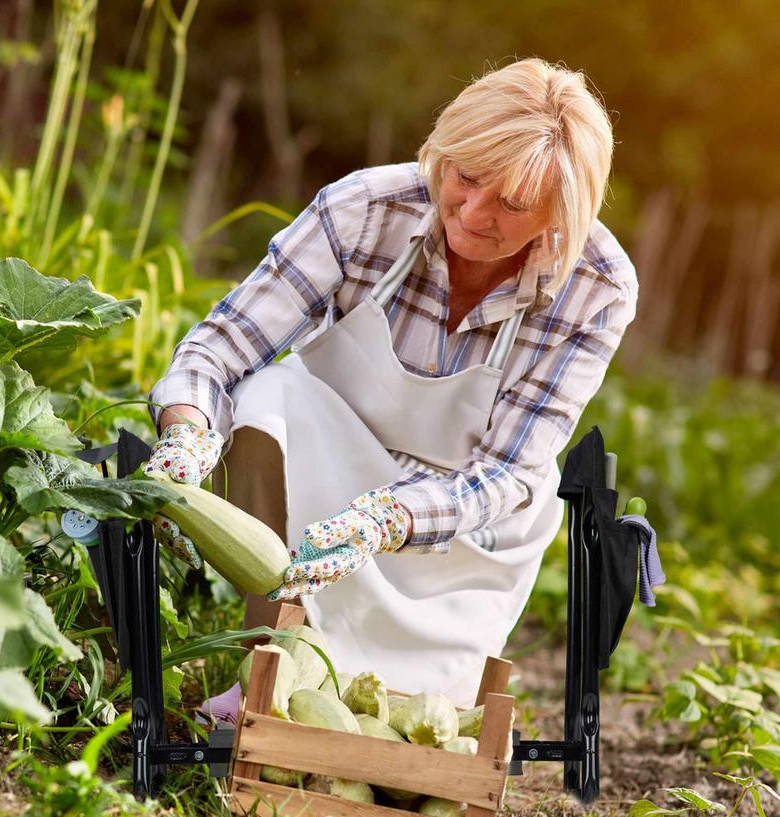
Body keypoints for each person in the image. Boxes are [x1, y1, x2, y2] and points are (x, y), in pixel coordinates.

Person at [145, 57, 639, 721]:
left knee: (405, 721)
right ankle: (268, 656)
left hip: (462, 528)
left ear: (559, 212)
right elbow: (222, 346)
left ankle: (381, 691)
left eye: (513, 205)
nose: (471, 211)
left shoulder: (596, 289)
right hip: (330, 471)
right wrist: (186, 432)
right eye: (465, 176)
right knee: (268, 398)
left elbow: (508, 472)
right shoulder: (366, 210)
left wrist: (389, 518)